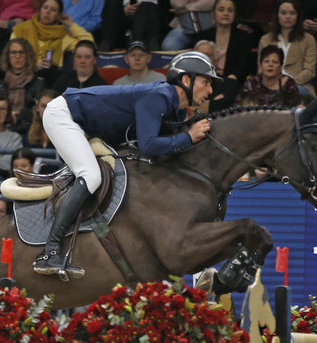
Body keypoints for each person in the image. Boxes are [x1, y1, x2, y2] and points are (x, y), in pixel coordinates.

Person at [35, 51, 219, 278]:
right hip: (63, 115)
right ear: (186, 80)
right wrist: (188, 137)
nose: (210, 91)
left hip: (86, 125)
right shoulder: (159, 95)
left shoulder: (178, 108)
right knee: (91, 175)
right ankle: (49, 251)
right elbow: (149, 145)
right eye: (206, 82)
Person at [195, 0, 256, 111]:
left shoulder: (243, 36)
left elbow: (245, 65)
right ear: (213, 13)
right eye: (221, 9)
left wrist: (231, 78)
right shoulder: (203, 35)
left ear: (235, 14)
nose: (226, 13)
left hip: (232, 81)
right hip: (207, 78)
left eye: (230, 10)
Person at [10, 0, 93, 77]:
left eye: (53, 10)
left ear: (58, 16)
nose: (48, 12)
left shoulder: (63, 36)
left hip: (51, 78)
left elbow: (89, 45)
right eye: (45, 7)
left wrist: (71, 24)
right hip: (23, 75)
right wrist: (33, 65)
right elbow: (11, 57)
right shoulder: (21, 29)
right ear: (40, 10)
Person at [258, 0, 317, 95]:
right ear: (277, 15)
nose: (288, 16)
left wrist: (288, 83)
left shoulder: (308, 39)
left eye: (292, 13)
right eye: (283, 13)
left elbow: (309, 71)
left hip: (299, 85)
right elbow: (261, 69)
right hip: (271, 84)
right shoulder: (265, 39)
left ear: (298, 16)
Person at [0, 38, 47, 133]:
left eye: (21, 52)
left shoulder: (39, 83)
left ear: (28, 56)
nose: (17, 56)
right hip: (2, 129)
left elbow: (40, 112)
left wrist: (19, 116)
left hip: (30, 130)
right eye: (13, 53)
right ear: (7, 56)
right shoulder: (0, 85)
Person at [234, 45, 300, 107]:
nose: (270, 65)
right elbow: (237, 107)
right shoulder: (251, 83)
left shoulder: (289, 84)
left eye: (275, 62)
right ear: (261, 65)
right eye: (266, 61)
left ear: (281, 67)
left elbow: (296, 110)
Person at [98, 0, 168, 51]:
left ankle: (137, 46)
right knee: (112, 3)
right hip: (121, 23)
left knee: (147, 6)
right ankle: (106, 44)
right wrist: (124, 10)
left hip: (145, 20)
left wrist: (139, 9)